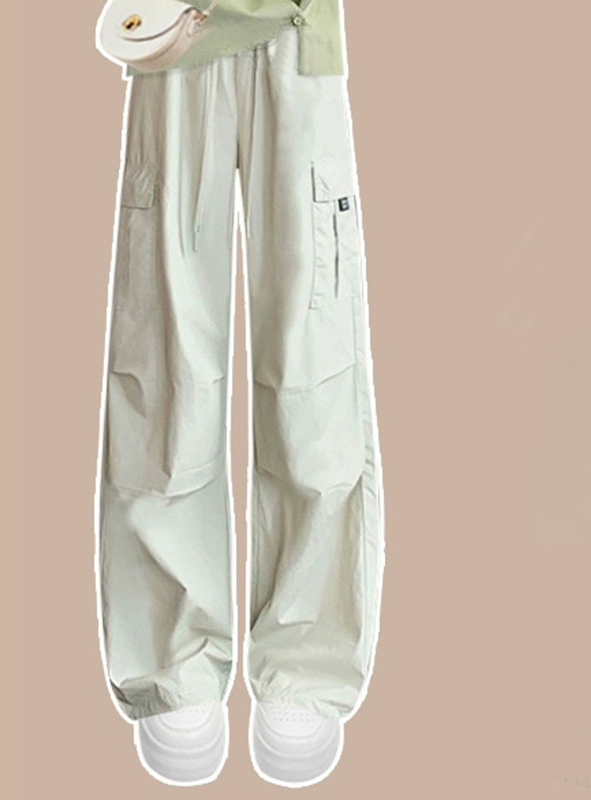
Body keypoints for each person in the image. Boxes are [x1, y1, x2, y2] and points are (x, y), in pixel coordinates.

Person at [94, 0, 386, 786]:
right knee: (164, 350)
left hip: (296, 34)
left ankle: (306, 657)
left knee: (313, 351)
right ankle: (174, 655)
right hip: (171, 30)